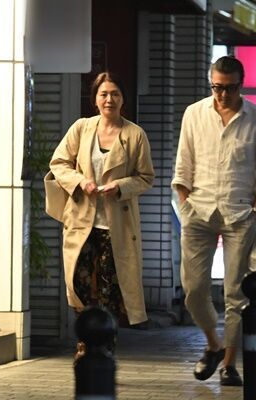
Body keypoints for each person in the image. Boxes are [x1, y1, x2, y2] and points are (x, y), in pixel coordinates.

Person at [172, 56, 256, 386]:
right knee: (193, 290)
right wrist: (185, 204)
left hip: (239, 213)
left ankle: (229, 364)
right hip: (198, 210)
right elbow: (183, 166)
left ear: (241, 85)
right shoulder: (194, 114)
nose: (223, 95)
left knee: (235, 293)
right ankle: (213, 344)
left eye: (229, 88)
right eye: (217, 87)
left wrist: (255, 210)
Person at [50, 72, 155, 356]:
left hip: (117, 224)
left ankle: (105, 345)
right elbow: (59, 163)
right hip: (82, 220)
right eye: (104, 94)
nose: (109, 99)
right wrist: (79, 181)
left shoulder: (135, 135)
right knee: (79, 282)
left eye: (115, 94)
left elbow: (146, 177)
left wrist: (120, 186)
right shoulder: (82, 128)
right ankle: (85, 340)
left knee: (111, 287)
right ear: (95, 99)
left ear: (123, 99)